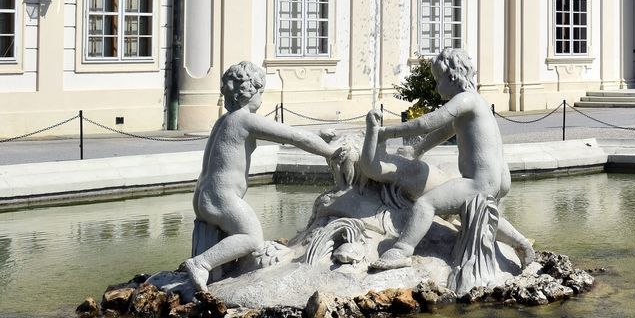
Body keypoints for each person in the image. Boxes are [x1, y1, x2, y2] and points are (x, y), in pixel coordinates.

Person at [362, 48, 534, 270]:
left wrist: (387, 132)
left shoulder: (464, 100)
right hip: (500, 180)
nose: (436, 87)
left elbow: (428, 123)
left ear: (452, 76)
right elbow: (444, 131)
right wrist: (418, 150)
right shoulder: (477, 102)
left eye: (438, 80)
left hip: (481, 181)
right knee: (476, 214)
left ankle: (401, 250)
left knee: (426, 203)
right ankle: (521, 243)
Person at [182, 61, 343, 292]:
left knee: (240, 235)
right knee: (251, 237)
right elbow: (295, 137)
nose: (261, 98)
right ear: (250, 91)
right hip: (222, 197)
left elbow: (290, 135)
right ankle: (201, 263)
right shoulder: (246, 119)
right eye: (261, 92)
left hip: (204, 196)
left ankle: (217, 270)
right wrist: (331, 152)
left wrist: (318, 136)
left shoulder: (225, 120)